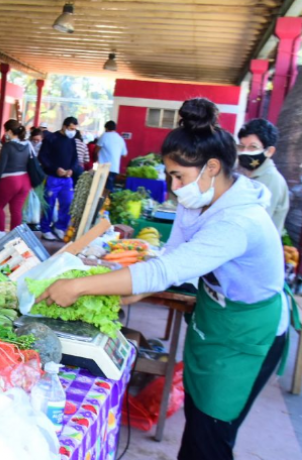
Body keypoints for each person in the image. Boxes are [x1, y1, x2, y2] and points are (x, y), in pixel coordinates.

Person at [38, 98, 290, 460]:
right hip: (216, 324)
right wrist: (127, 293)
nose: (173, 187)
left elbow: (164, 271)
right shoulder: (198, 201)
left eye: (178, 177)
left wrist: (77, 285)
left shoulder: (238, 222)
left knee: (212, 437)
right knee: (200, 425)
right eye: (171, 175)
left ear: (212, 168)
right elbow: (171, 260)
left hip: (248, 336)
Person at [237, 118, 289, 233]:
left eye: (253, 147)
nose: (245, 151)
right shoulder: (241, 171)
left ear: (269, 151)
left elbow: (254, 223)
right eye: (241, 146)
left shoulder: (272, 180)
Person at [0, 121, 34, 242]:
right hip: (25, 180)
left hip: (10, 180)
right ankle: (15, 236)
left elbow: (1, 166)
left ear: (9, 131)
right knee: (16, 209)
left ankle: (0, 232)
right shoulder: (28, 145)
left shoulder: (7, 146)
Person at [38, 117, 79, 241]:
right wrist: (55, 168)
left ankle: (60, 227)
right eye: (71, 128)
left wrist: (72, 169)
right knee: (49, 204)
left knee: (68, 202)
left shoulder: (71, 140)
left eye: (75, 129)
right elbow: (42, 157)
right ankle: (45, 228)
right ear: (64, 126)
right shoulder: (51, 138)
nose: (73, 131)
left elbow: (75, 158)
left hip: (67, 179)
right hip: (52, 178)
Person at [96, 120, 128, 191]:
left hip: (104, 166)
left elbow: (96, 149)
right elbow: (124, 154)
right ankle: (107, 200)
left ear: (106, 128)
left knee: (101, 188)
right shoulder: (120, 139)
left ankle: (104, 201)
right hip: (115, 168)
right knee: (109, 187)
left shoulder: (104, 136)